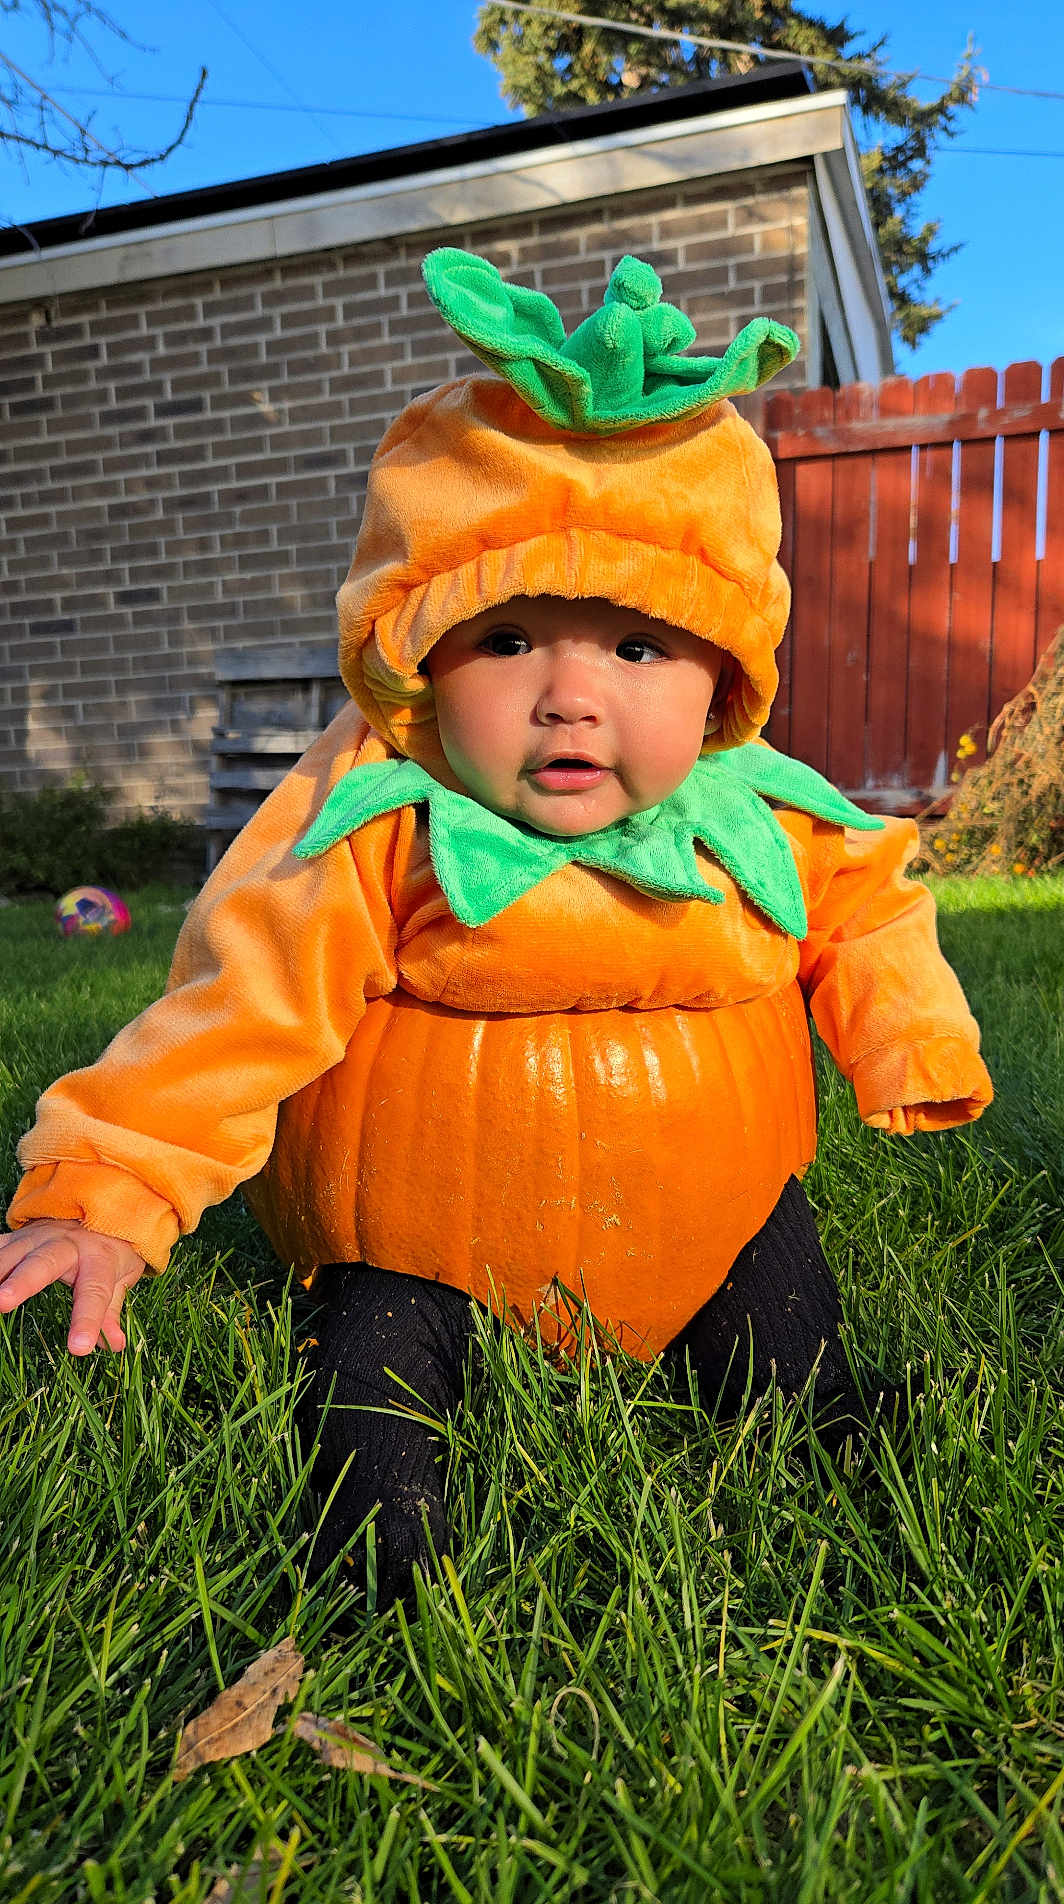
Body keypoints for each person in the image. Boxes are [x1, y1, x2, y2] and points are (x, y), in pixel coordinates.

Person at [0, 250, 992, 1606]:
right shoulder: (378, 821)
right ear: (412, 657)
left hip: (714, 1196)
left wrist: (907, 1036)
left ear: (723, 680)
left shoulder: (764, 812)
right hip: (425, 1220)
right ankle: (379, 1540)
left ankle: (811, 1421)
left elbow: (872, 906)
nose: (570, 697)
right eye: (511, 637)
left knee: (775, 1288)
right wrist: (105, 1193)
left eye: (638, 647)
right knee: (380, 1347)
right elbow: (236, 1010)